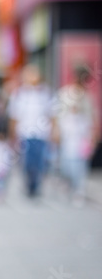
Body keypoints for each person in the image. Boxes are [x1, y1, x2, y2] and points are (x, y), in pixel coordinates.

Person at [54, 64, 98, 207]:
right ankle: (70, 184)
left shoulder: (88, 97)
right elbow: (56, 114)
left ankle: (79, 191)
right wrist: (56, 131)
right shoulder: (65, 93)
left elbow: (93, 118)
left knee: (80, 164)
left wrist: (93, 137)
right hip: (68, 134)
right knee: (67, 163)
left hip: (82, 135)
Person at [8, 64, 53, 198]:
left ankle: (36, 186)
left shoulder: (45, 93)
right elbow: (14, 116)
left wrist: (54, 132)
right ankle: (28, 185)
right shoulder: (19, 94)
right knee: (27, 162)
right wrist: (12, 135)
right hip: (25, 134)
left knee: (40, 162)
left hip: (41, 134)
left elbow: (52, 114)